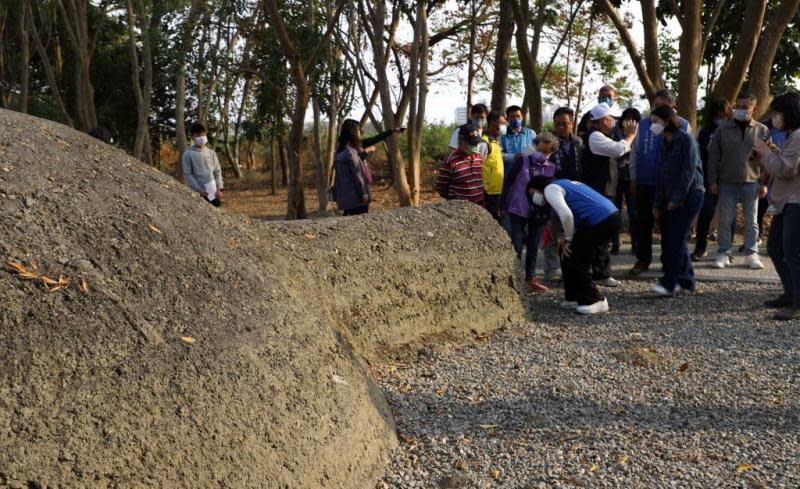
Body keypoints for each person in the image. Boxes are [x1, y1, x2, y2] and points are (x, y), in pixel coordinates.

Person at [529, 176, 622, 314]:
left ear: (538, 187)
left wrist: (568, 239)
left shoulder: (550, 189)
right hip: (608, 216)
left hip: (601, 220)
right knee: (566, 252)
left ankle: (595, 300)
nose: (534, 198)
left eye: (532, 193)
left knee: (575, 257)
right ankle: (573, 296)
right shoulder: (563, 183)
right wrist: (567, 240)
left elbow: (566, 215)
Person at [628, 89, 691, 276]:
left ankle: (668, 262)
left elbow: (687, 161)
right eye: (655, 106)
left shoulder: (683, 126)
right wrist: (633, 178)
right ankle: (642, 259)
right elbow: (635, 152)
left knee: (667, 225)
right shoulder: (645, 124)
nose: (657, 110)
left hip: (669, 185)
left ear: (672, 106)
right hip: (645, 181)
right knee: (643, 222)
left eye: (662, 106)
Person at [707, 93, 770, 270]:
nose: (740, 110)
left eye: (745, 107)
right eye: (738, 107)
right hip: (727, 181)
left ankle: (752, 253)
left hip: (753, 181)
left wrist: (764, 183)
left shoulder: (762, 130)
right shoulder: (723, 129)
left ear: (754, 108)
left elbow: (768, 157)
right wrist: (712, 180)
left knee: (752, 220)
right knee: (725, 220)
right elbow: (714, 156)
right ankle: (723, 253)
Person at [649, 105, 706, 296]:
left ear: (667, 120)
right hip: (670, 195)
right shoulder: (665, 142)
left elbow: (688, 171)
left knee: (675, 238)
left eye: (656, 121)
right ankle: (687, 280)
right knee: (674, 237)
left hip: (689, 195)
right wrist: (658, 202)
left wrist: (677, 198)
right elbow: (661, 174)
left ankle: (669, 282)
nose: (653, 126)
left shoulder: (686, 140)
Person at [752, 92, 800, 321]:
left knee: (791, 252)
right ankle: (791, 294)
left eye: (778, 113)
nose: (775, 117)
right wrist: (774, 153)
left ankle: (797, 302)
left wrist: (763, 153)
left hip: (794, 201)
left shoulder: (798, 136)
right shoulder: (793, 136)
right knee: (775, 248)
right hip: (784, 200)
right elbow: (788, 163)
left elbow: (786, 169)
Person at [581, 103, 638, 287]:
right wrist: (629, 136)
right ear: (603, 120)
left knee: (601, 232)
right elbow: (618, 149)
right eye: (610, 118)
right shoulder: (595, 137)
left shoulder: (601, 135)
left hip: (603, 190)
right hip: (598, 191)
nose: (613, 121)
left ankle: (598, 271)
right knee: (601, 232)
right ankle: (600, 273)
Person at [502, 133, 559, 292]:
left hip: (539, 213)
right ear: (534, 146)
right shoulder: (522, 160)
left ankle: (530, 278)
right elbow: (509, 181)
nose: (542, 154)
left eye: (546, 152)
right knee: (517, 245)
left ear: (552, 152)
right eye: (539, 149)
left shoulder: (553, 168)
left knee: (534, 246)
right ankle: (512, 278)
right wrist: (503, 203)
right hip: (518, 208)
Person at [692, 97, 732, 261]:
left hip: (730, 177)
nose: (720, 118)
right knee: (706, 212)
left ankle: (726, 251)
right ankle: (701, 247)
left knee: (729, 216)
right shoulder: (705, 130)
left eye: (723, 115)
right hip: (710, 177)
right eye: (718, 115)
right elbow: (699, 154)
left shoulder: (733, 128)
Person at [610, 108, 641, 255]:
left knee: (634, 212)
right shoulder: (613, 132)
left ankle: (635, 243)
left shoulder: (639, 133)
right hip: (615, 177)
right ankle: (615, 242)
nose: (629, 122)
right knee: (614, 211)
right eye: (627, 118)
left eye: (633, 120)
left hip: (632, 178)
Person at [332, 120, 375, 215]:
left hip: (345, 199)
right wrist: (364, 193)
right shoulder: (351, 153)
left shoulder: (338, 153)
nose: (360, 133)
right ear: (354, 132)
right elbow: (358, 175)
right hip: (357, 199)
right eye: (358, 130)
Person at [436, 124, 485, 203]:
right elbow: (442, 187)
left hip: (479, 206)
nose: (474, 146)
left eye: (476, 144)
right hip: (459, 209)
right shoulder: (451, 161)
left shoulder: (479, 158)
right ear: (460, 141)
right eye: (471, 143)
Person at [181, 123, 223, 207]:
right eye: (198, 136)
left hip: (213, 191)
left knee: (216, 211)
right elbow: (188, 174)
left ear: (206, 135)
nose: (201, 137)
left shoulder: (211, 153)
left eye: (203, 135)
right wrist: (199, 190)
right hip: (197, 193)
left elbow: (217, 171)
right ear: (193, 137)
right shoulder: (188, 154)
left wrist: (220, 188)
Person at [483, 110, 507, 223]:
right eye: (501, 124)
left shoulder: (496, 142)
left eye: (504, 124)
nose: (503, 127)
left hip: (497, 190)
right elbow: (477, 165)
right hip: (488, 192)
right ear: (492, 124)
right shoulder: (484, 142)